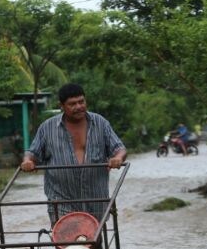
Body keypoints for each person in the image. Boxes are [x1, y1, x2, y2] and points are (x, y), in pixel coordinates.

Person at [21, 83, 127, 226]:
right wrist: (28, 161)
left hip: (95, 199)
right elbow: (32, 153)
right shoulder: (47, 128)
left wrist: (117, 158)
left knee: (94, 242)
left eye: (81, 102)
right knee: (65, 242)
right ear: (62, 106)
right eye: (72, 104)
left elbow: (119, 148)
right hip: (62, 200)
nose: (78, 107)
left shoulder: (100, 123)